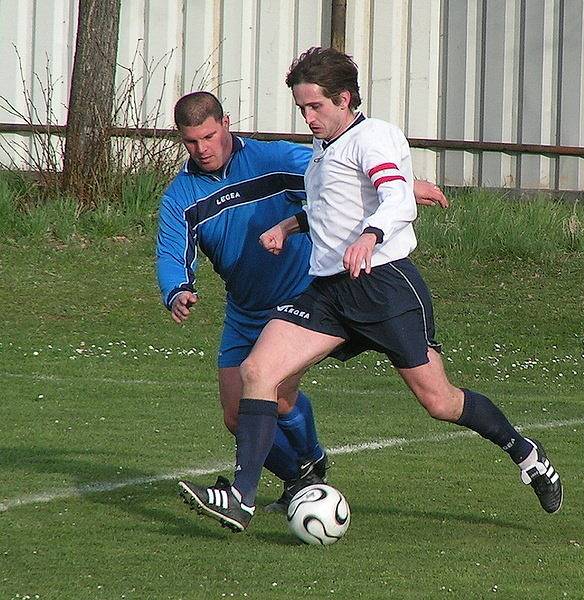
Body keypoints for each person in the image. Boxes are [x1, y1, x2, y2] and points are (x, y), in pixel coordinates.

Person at [177, 48, 563, 533]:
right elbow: (333, 207)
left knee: (439, 401)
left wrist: (372, 235)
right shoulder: (323, 152)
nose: (308, 118)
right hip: (329, 293)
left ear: (344, 99)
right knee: (257, 371)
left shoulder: (374, 136)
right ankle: (242, 498)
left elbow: (394, 196)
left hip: (383, 286)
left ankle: (525, 452)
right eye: (302, 109)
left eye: (315, 107)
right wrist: (289, 226)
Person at [156, 91, 448, 513]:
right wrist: (177, 289)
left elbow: (339, 176)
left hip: (299, 298)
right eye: (191, 142)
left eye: (209, 136)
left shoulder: (271, 159)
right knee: (235, 416)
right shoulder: (181, 196)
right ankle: (301, 477)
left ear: (226, 123)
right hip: (244, 310)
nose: (202, 149)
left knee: (279, 395)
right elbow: (171, 251)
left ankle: (300, 465)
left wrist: (407, 185)